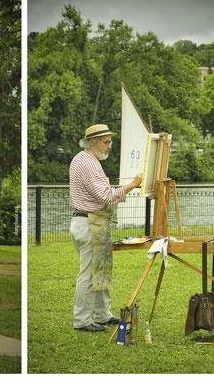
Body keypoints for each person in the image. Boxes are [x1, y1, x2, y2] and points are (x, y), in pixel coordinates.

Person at [69, 124, 143, 332]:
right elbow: (105, 196)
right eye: (106, 142)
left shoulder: (85, 159)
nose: (110, 146)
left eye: (110, 141)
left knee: (101, 271)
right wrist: (133, 184)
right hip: (88, 224)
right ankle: (81, 320)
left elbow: (101, 192)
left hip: (91, 222)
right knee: (88, 274)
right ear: (93, 142)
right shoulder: (88, 164)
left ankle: (102, 314)